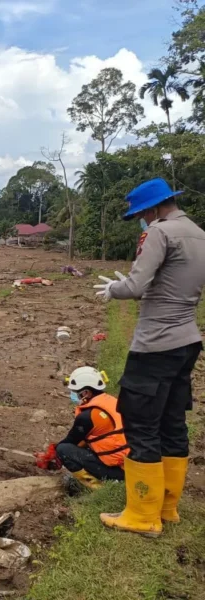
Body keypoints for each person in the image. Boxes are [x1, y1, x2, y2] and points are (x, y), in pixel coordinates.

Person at [94, 177, 205, 537]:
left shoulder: (160, 233)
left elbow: (137, 287)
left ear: (154, 209)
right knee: (172, 422)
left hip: (155, 344)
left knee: (141, 424)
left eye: (142, 213)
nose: (142, 220)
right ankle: (167, 507)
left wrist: (115, 288)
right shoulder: (198, 233)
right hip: (187, 340)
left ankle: (142, 516)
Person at [35, 367, 128, 490]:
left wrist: (51, 454)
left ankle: (101, 488)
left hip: (120, 472)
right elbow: (84, 440)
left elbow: (69, 442)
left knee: (64, 450)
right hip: (131, 465)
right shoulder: (111, 401)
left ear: (86, 393)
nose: (73, 395)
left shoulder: (87, 416)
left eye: (75, 391)